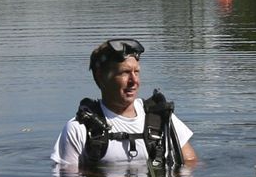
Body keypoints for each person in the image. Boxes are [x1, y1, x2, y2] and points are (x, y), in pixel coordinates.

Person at [51, 38, 197, 167]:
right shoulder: (78, 129)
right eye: (124, 73)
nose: (134, 81)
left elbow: (190, 163)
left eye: (136, 72)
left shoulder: (161, 117)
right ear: (100, 76)